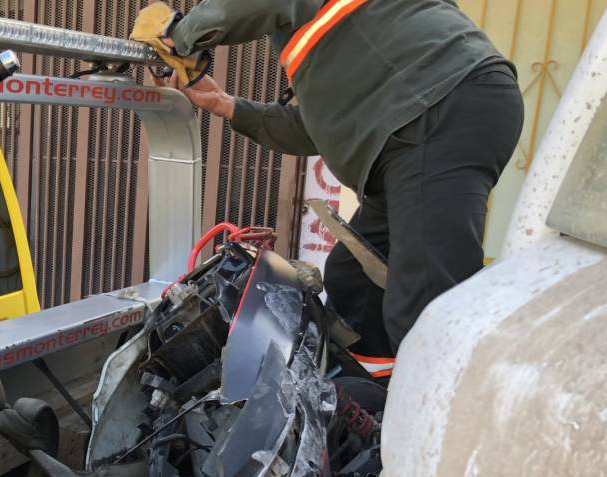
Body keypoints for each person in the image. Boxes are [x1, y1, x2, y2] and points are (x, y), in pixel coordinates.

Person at [135, 0, 525, 368]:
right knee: (357, 281)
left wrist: (179, 36)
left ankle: (435, 427)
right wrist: (227, 105)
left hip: (437, 108)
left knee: (424, 304)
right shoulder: (352, 38)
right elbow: (317, 131)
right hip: (414, 121)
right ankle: (373, 402)